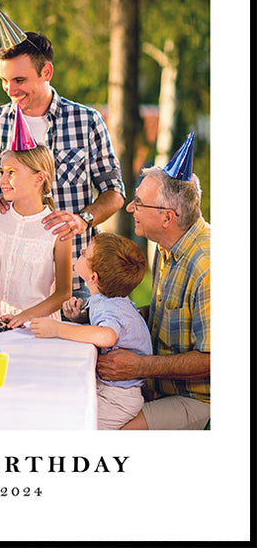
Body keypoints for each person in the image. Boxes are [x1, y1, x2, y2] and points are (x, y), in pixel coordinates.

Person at [0, 5, 125, 309]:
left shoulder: (87, 121)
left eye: (19, 81)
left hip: (78, 282)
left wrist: (81, 220)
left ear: (46, 72)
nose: (10, 90)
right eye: (4, 80)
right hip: (7, 288)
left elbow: (115, 194)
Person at [96, 132, 210, 430]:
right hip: (158, 386)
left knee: (111, 435)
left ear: (166, 217)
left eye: (138, 203)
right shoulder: (166, 245)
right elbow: (160, 315)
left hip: (199, 399)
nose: (130, 208)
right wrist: (101, 316)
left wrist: (140, 367)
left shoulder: (208, 266)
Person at [30, 232, 152, 430]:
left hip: (119, 397)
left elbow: (107, 335)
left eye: (86, 254)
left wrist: (58, 328)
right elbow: (108, 325)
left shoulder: (110, 307)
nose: (81, 250)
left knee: (79, 427)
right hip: (115, 390)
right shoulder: (108, 300)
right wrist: (80, 317)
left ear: (93, 277)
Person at [0, 105, 72, 327]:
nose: (2, 180)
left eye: (12, 173)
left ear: (39, 179)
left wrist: (24, 317)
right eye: (2, 172)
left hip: (37, 329)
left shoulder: (58, 229)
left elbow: (64, 292)